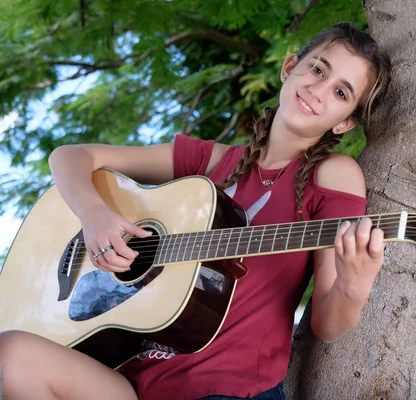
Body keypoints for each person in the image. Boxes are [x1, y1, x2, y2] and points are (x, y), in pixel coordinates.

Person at [0, 22, 391, 400]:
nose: (319, 90)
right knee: (11, 355)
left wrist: (354, 285)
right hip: (128, 383)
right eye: (317, 69)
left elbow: (326, 322)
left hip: (225, 391)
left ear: (345, 123)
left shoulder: (334, 175)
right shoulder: (210, 163)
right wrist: (94, 216)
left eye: (341, 93)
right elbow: (70, 156)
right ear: (290, 67)